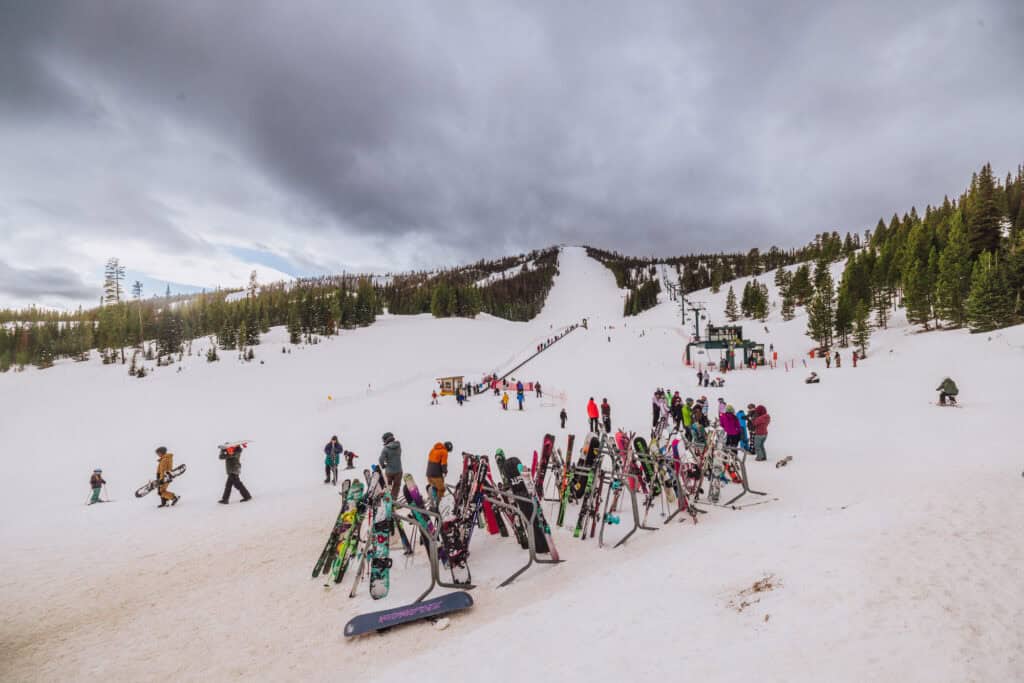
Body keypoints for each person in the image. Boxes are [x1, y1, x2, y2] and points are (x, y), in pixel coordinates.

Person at [379, 432, 403, 498]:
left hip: (389, 471)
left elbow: (381, 459)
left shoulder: (385, 448)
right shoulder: (398, 445)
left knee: (388, 484)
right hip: (398, 470)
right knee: (396, 485)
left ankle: (384, 494)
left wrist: (383, 465)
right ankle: (393, 499)